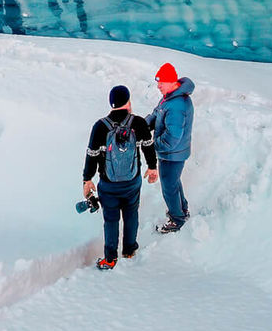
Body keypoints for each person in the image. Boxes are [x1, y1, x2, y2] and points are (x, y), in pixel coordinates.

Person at [83, 84, 158, 270]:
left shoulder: (100, 126)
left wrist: (87, 179)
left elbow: (92, 154)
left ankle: (110, 258)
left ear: (112, 104)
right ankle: (130, 250)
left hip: (108, 184)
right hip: (132, 182)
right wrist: (152, 167)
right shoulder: (138, 123)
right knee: (131, 214)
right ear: (128, 102)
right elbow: (149, 146)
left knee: (111, 220)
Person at [146, 63, 195, 233]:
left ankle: (177, 220)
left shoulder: (177, 105)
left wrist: (153, 145)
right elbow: (156, 114)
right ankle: (182, 210)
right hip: (173, 153)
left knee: (168, 186)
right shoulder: (169, 97)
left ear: (171, 81)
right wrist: (142, 126)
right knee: (174, 182)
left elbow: (173, 137)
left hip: (172, 154)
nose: (158, 85)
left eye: (161, 82)